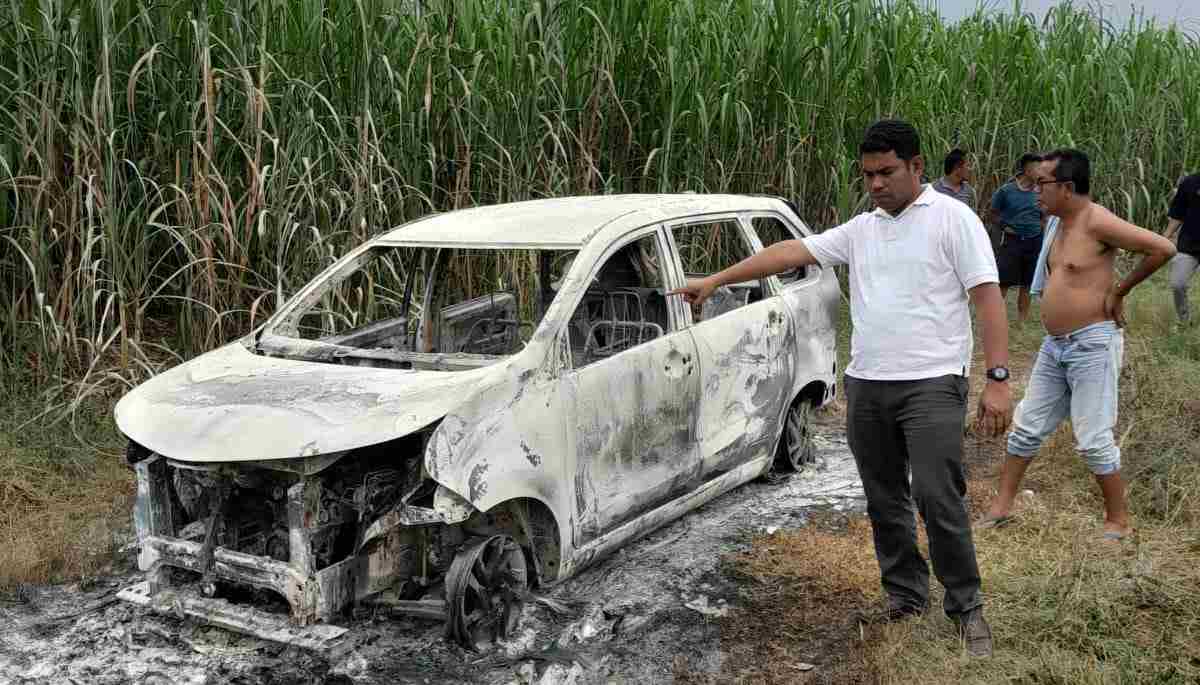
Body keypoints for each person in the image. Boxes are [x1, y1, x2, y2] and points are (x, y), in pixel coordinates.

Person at [672, 119, 1012, 658]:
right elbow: (789, 252)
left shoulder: (954, 219)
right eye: (868, 175)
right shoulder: (863, 229)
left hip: (932, 382)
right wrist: (716, 279)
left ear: (917, 167)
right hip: (869, 385)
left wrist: (996, 379)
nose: (876, 184)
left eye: (887, 172)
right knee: (883, 498)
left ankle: (967, 607)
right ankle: (905, 597)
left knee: (935, 493)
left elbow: (988, 298)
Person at [979, 149, 1176, 541]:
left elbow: (1163, 248)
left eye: (1042, 184)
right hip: (1055, 346)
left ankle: (1117, 522)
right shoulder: (1057, 224)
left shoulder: (1097, 220)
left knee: (1093, 440)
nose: (1036, 191)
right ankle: (1001, 508)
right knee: (1025, 428)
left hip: (1092, 344)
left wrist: (1120, 291)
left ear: (1067, 188)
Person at [989, 154, 1045, 322]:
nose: (1041, 172)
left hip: (1035, 241)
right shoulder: (1007, 191)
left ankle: (1022, 320)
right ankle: (995, 318)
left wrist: (1040, 228)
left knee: (1027, 283)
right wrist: (1005, 227)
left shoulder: (1041, 192)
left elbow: (1045, 215)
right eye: (1037, 168)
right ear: (1027, 170)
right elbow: (992, 213)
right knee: (1004, 281)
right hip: (1012, 241)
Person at [1165, 173, 1200, 324]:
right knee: (1177, 283)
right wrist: (1165, 236)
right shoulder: (1190, 182)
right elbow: (1178, 214)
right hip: (1188, 245)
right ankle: (1184, 322)